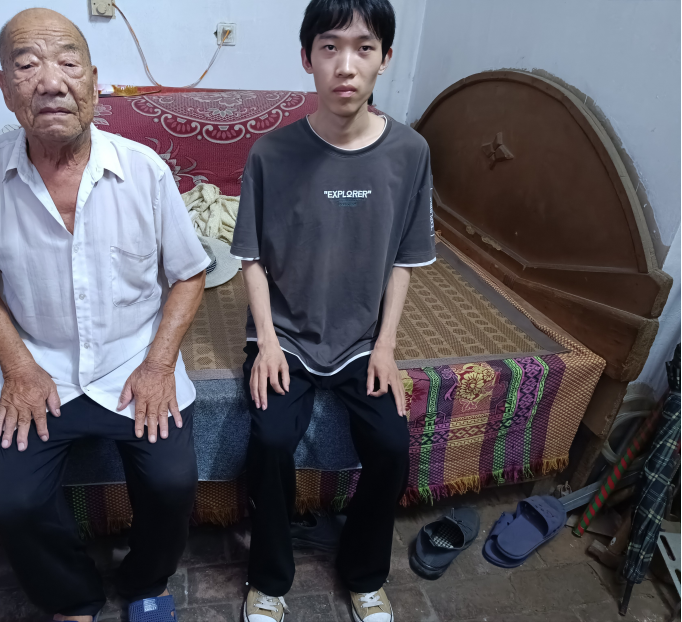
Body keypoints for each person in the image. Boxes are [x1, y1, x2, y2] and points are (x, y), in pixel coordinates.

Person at [0, 9, 209, 621]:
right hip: (40, 364)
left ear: (93, 80)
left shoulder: (144, 170)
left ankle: (146, 581)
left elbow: (189, 274)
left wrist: (159, 364)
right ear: (4, 87)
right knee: (11, 500)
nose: (51, 81)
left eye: (67, 62)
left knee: (171, 482)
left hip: (133, 361)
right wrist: (19, 367)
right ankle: (72, 597)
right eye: (27, 65)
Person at [230, 0, 436, 620]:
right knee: (270, 439)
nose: (346, 65)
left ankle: (365, 575)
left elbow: (403, 260)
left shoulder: (410, 152)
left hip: (361, 339)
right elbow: (250, 259)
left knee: (392, 443)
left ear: (385, 59)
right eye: (330, 47)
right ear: (307, 58)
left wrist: (386, 347)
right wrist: (267, 342)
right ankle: (269, 581)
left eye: (364, 47)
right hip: (286, 335)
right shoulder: (270, 153)